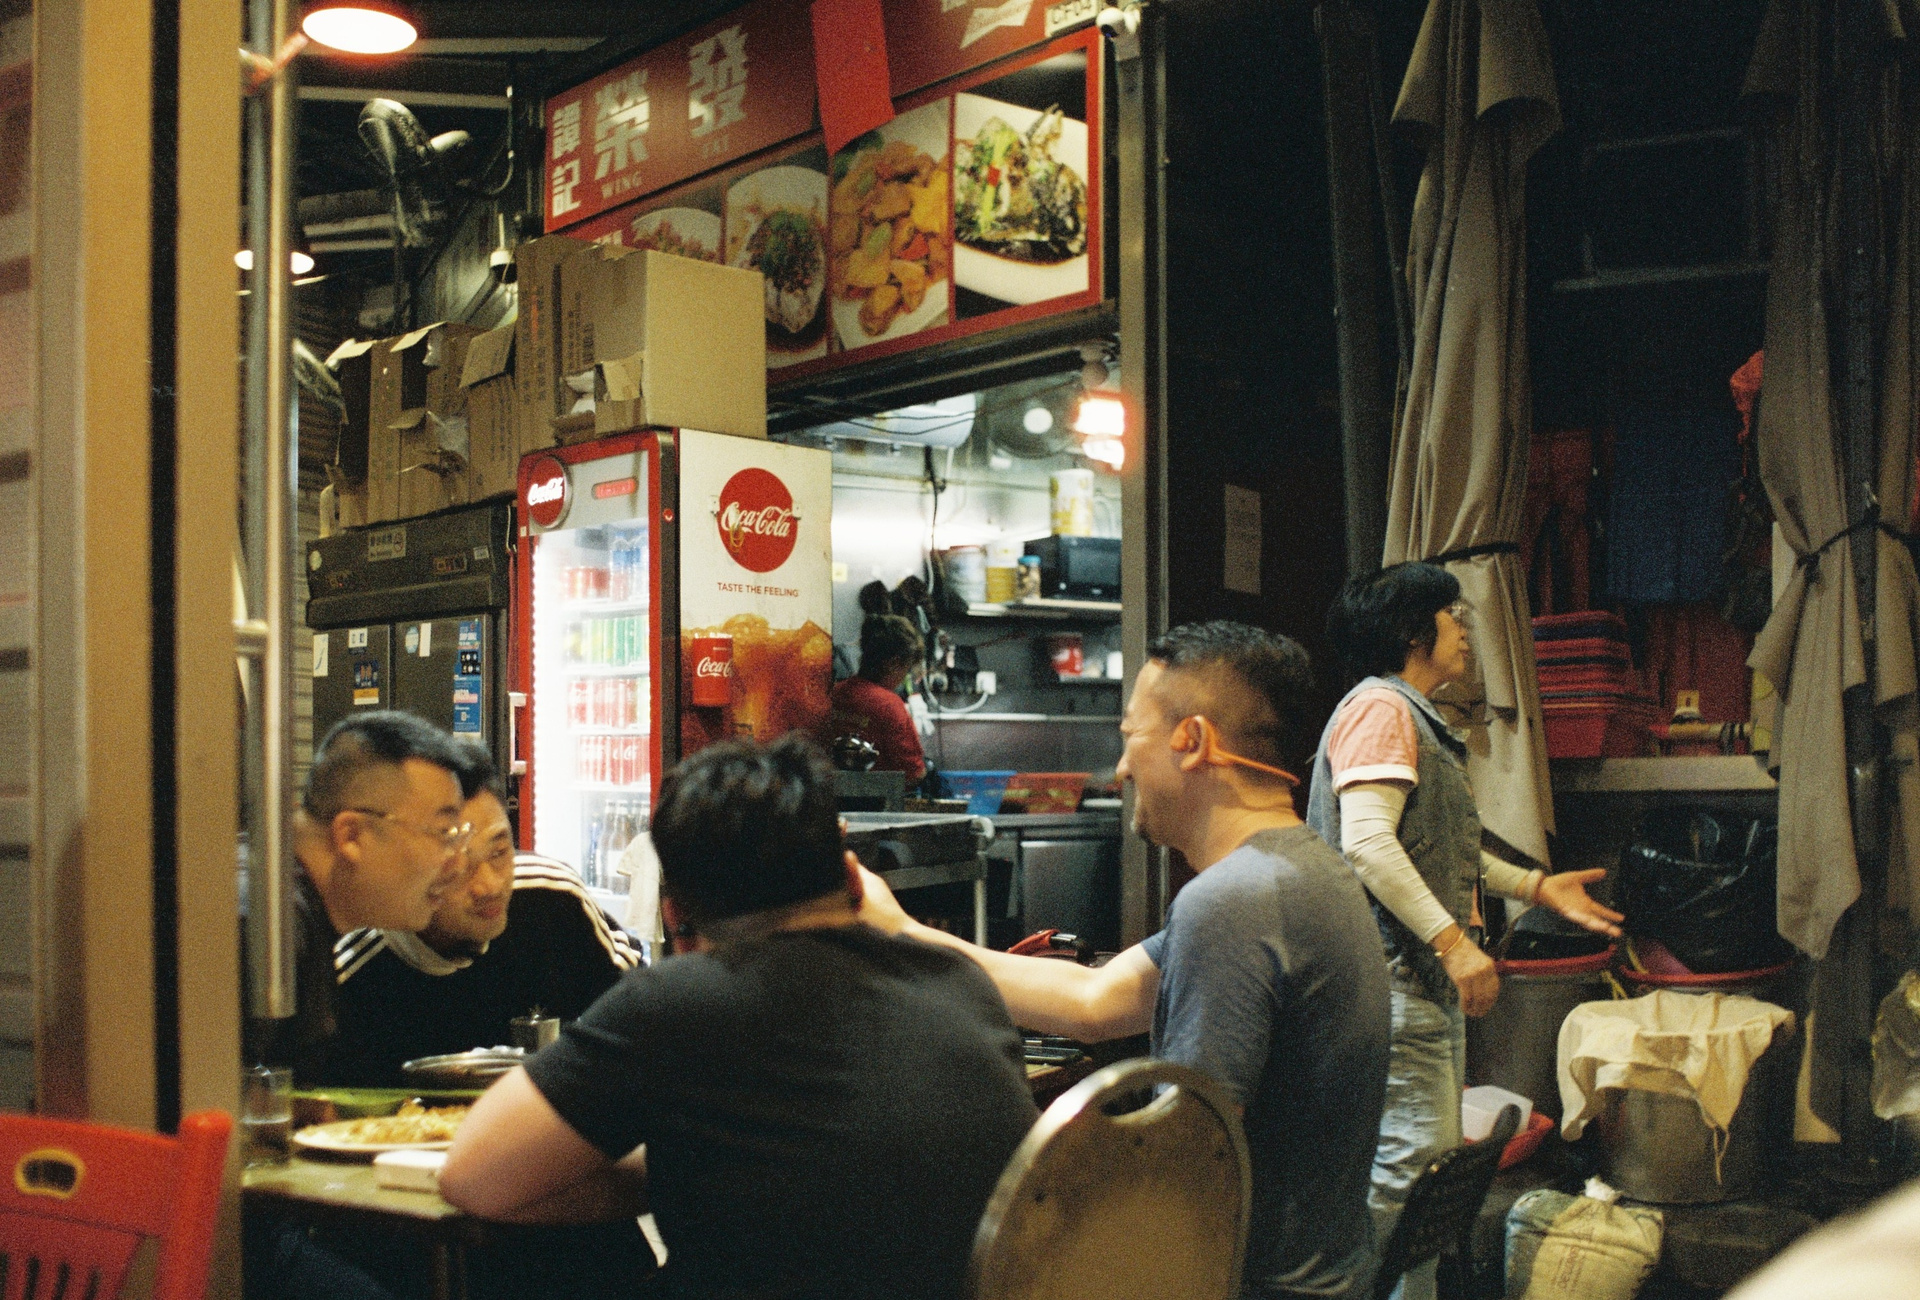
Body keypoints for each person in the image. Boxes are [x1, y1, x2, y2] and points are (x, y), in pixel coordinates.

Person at [859, 621, 1391, 1300]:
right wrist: (901, 931)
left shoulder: (1234, 902)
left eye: (1130, 737)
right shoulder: (1304, 870)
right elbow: (1096, 999)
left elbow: (1186, 1166)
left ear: (1191, 740)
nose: (1120, 770)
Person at [440, 734, 1039, 1300]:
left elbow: (473, 1178)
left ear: (676, 917)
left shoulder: (675, 1003)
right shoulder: (962, 981)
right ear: (854, 879)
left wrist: (674, 1168)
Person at [1306, 563, 1624, 1300]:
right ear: (1411, 630)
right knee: (1408, 1182)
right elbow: (1368, 843)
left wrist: (1536, 887)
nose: (1464, 629)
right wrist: (1453, 944)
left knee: (1422, 1185)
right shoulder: (1380, 708)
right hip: (1393, 982)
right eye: (1452, 615)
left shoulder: (1409, 714)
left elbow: (1442, 847)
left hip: (1414, 986)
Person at [325, 743, 644, 1087]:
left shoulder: (551, 898)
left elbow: (639, 1014)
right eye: (459, 867)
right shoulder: (352, 973)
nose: (490, 886)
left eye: (499, 852)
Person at [246, 710, 477, 1085]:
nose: (458, 863)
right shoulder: (268, 924)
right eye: (443, 832)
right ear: (351, 835)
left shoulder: (296, 905)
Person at [825, 613, 927, 782]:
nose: (904, 676)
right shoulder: (889, 705)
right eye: (906, 668)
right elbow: (914, 773)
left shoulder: (834, 693)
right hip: (878, 796)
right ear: (893, 663)